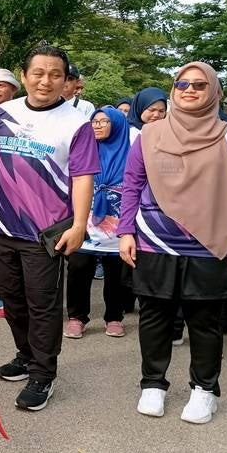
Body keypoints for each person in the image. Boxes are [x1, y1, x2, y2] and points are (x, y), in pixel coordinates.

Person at [118, 61, 227, 425]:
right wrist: (126, 231)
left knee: (205, 319)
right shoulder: (150, 134)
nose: (190, 90)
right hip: (155, 238)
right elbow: (131, 184)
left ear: (213, 91)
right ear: (173, 89)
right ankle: (153, 384)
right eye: (182, 84)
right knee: (155, 316)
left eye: (198, 84)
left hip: (211, 240)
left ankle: (204, 390)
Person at [0, 44, 99, 412]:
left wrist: (80, 225)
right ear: (23, 76)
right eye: (38, 73)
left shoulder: (76, 122)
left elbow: (84, 177)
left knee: (43, 304)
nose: (46, 81)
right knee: (13, 300)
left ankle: (44, 372)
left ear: (66, 80)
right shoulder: (3, 113)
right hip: (2, 227)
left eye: (56, 74)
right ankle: (25, 355)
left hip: (46, 233)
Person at [65, 106, 130, 338]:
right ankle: (76, 317)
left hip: (118, 225)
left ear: (118, 125)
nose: (98, 125)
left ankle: (114, 317)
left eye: (104, 122)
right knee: (78, 269)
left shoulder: (131, 153)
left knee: (116, 274)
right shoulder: (83, 149)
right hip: (85, 222)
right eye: (95, 121)